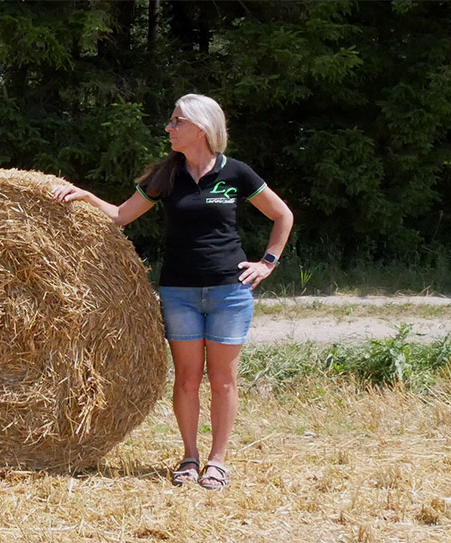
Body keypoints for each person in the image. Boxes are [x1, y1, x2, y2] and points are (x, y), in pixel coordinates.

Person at [51, 94, 294, 490]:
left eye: (176, 121)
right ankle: (189, 457)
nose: (168, 127)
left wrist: (267, 262)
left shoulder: (236, 174)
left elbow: (282, 215)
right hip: (179, 292)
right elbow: (120, 216)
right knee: (186, 379)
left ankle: (217, 461)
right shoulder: (166, 175)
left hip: (228, 293)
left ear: (200, 128)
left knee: (223, 380)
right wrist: (84, 196)